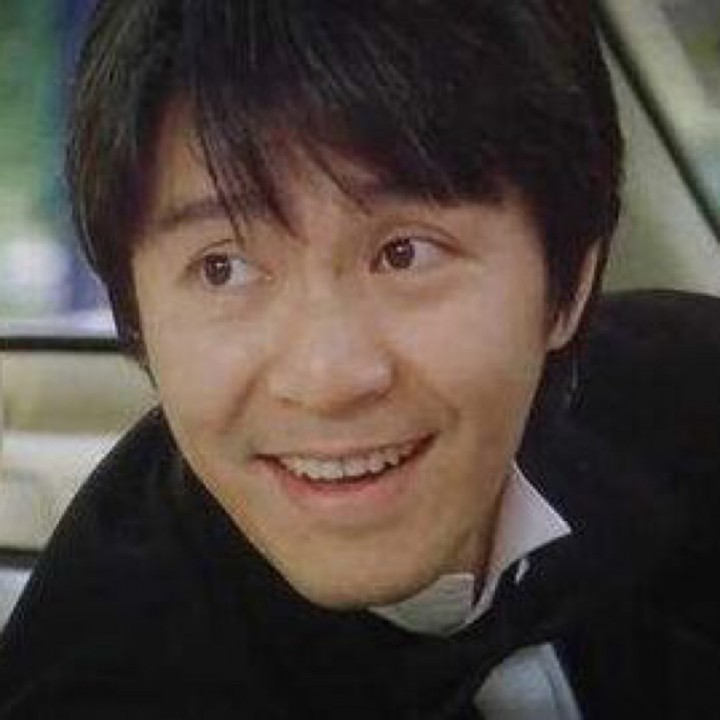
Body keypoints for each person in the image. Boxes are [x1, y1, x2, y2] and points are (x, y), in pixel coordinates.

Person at [1, 0, 719, 717]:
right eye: (224, 268)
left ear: (569, 286)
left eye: (406, 253)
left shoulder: (692, 406)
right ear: (136, 318)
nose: (328, 380)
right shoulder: (92, 685)